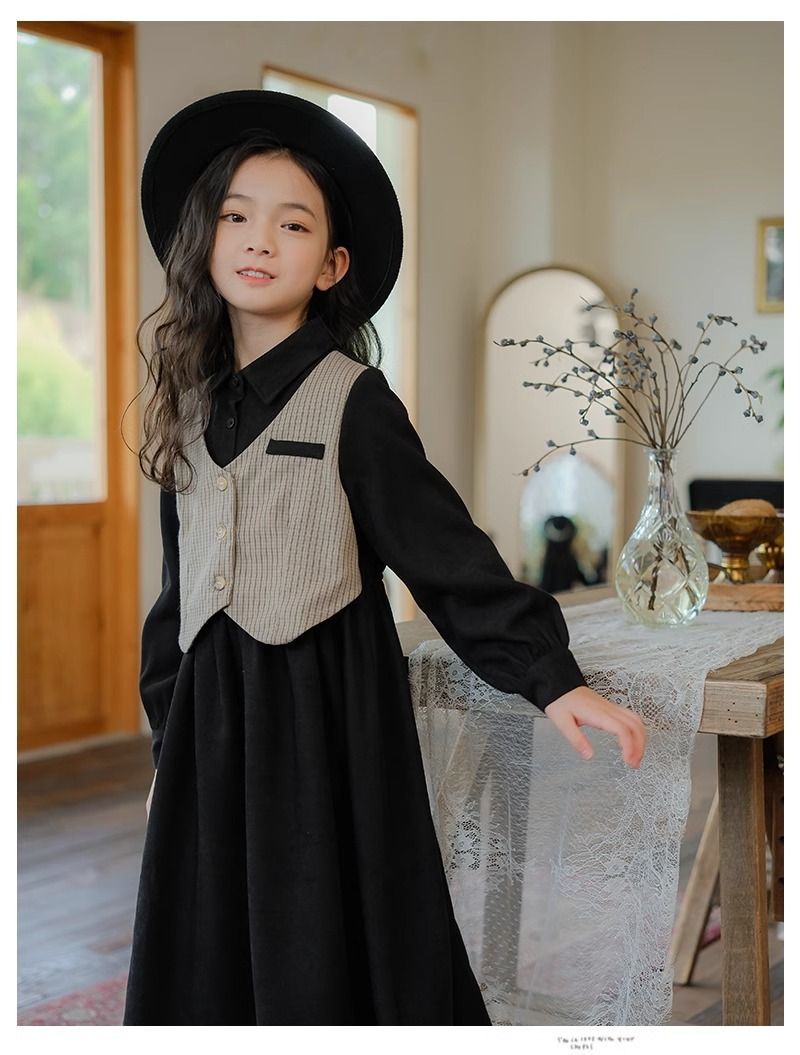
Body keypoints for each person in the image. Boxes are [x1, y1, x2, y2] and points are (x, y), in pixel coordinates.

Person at [123, 90, 646, 1027]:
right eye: (236, 216)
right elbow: (179, 597)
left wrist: (551, 677)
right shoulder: (191, 413)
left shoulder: (354, 402)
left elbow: (446, 556)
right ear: (204, 240)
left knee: (325, 940)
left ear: (332, 265)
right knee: (210, 948)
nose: (258, 239)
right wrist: (171, 737)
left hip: (325, 724)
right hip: (212, 728)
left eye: (292, 224)